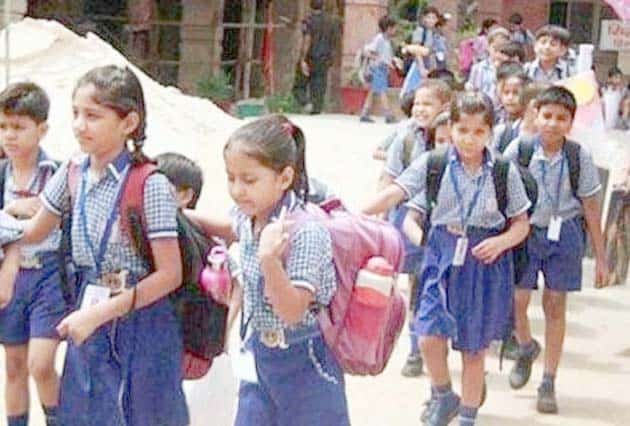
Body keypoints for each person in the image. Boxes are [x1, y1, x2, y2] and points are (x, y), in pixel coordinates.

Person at [14, 65, 189, 426]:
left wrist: (101, 313)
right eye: (76, 114)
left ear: (129, 122)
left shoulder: (150, 184)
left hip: (142, 321)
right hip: (89, 312)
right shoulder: (72, 172)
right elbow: (33, 231)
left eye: (93, 116)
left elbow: (170, 275)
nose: (79, 125)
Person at [362, 91, 531, 426]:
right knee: (428, 335)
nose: (469, 139)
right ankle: (443, 394)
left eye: (479, 131)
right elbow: (396, 193)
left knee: (473, 350)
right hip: (440, 256)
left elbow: (521, 224)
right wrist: (355, 214)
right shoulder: (434, 163)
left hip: (484, 262)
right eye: (462, 130)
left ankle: (468, 417)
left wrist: (500, 243)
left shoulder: (502, 170)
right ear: (450, 128)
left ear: (490, 132)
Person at [219, 114, 349, 425]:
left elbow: (292, 311)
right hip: (258, 357)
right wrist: (183, 216)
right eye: (231, 178)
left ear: (284, 177)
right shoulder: (248, 217)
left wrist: (270, 262)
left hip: (305, 362)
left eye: (249, 180)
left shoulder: (305, 232)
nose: (237, 190)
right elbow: (229, 228)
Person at [503, 86, 609, 414]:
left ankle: (548, 380)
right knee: (517, 299)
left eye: (561, 118)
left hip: (565, 233)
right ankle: (525, 346)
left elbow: (591, 206)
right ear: (535, 116)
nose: (552, 123)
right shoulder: (519, 150)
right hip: (525, 231)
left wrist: (601, 258)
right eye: (546, 115)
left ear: (571, 123)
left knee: (555, 305)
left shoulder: (578, 156)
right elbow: (499, 191)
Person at [0, 82, 66, 426]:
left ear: (42, 130)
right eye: (3, 127)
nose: (9, 136)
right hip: (10, 279)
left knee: (40, 363)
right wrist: (10, 213)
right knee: (14, 365)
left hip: (47, 275)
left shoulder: (56, 173)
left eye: (18, 127)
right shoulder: (2, 175)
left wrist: (36, 208)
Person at [293, 0, 339, 115]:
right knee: (319, 87)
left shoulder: (308, 21)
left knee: (299, 86)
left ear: (310, 6)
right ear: (323, 6)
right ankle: (316, 110)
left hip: (309, 58)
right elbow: (335, 41)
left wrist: (302, 59)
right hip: (324, 59)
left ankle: (305, 103)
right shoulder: (331, 22)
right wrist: (331, 58)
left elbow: (307, 40)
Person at [360, 15, 400, 124]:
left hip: (383, 68)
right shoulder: (380, 39)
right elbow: (368, 51)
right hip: (378, 68)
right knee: (382, 91)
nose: (395, 30)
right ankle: (388, 114)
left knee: (372, 91)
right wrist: (378, 59)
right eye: (394, 28)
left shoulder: (387, 40)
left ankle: (365, 112)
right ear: (388, 28)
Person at [466, 27, 511, 106]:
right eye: (495, 49)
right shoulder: (478, 68)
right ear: (488, 47)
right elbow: (472, 89)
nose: (498, 53)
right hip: (483, 107)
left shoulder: (511, 68)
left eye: (502, 49)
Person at [492, 62, 529, 152]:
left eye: (516, 93)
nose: (510, 98)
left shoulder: (528, 122)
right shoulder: (494, 117)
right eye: (506, 92)